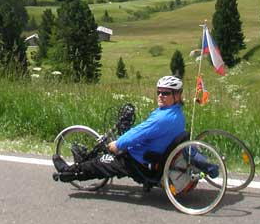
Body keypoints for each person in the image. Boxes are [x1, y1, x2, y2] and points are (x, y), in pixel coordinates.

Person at [52, 75, 187, 182]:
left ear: (177, 96)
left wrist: (118, 144)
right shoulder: (177, 114)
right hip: (151, 156)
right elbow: (143, 131)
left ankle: (68, 172)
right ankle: (81, 164)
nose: (160, 95)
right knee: (106, 157)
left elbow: (139, 133)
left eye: (166, 93)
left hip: (137, 161)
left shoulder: (163, 118)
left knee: (100, 164)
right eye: (159, 91)